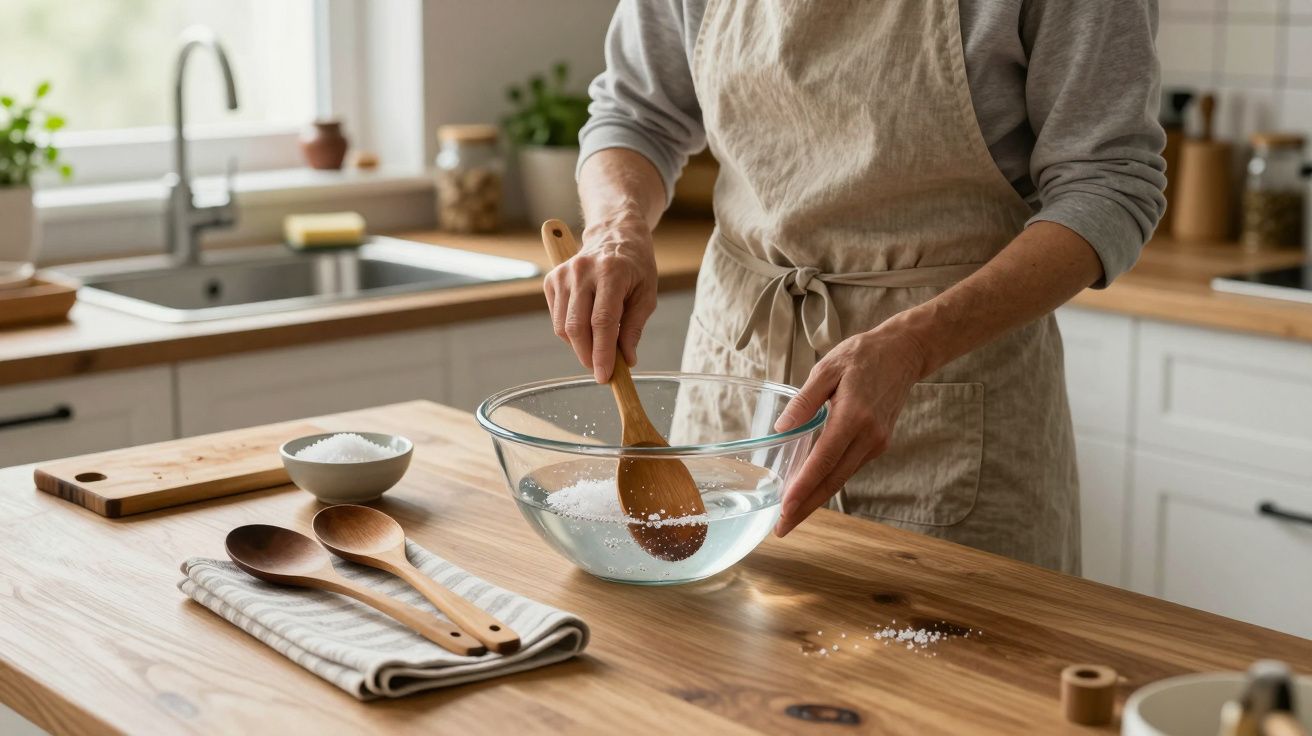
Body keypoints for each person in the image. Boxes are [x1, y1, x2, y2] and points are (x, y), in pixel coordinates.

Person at [543, 0, 1166, 572]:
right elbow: (635, 113)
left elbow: (1109, 186)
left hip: (950, 385)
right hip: (740, 376)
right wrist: (615, 228)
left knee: (965, 675)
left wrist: (916, 345)